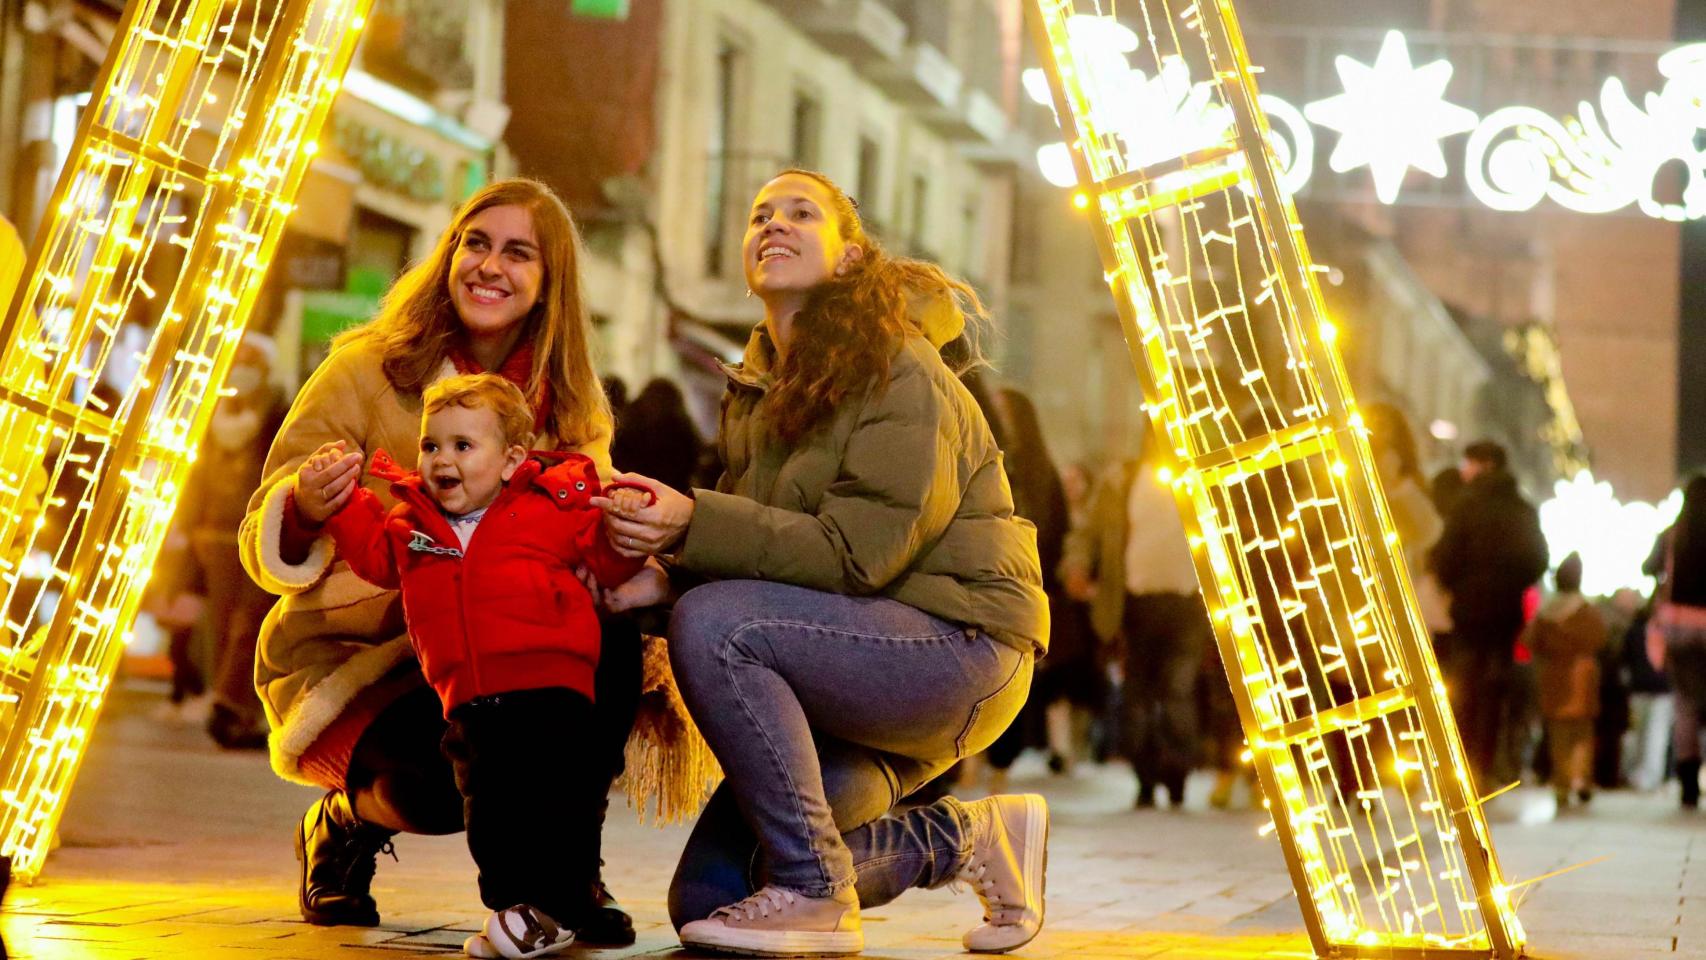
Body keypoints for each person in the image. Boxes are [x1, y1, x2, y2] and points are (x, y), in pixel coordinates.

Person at [591, 169, 1050, 956]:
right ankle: (966, 836)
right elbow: (766, 560)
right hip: (847, 666)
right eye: (760, 213)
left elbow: (853, 555)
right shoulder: (762, 387)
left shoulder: (899, 369)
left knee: (719, 627)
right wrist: (658, 582)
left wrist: (693, 522)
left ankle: (814, 894)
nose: (774, 223)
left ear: (847, 258)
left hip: (960, 648)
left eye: (802, 213)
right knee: (710, 899)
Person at [238, 178, 645, 945]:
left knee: (612, 630)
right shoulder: (365, 369)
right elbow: (262, 530)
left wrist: (629, 541)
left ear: (548, 283)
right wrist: (308, 505)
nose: (490, 266)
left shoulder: (572, 407)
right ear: (450, 253)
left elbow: (593, 541)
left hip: (504, 657)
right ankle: (340, 825)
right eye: (476, 243)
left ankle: (571, 872)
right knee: (433, 790)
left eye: (518, 253)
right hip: (365, 660)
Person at [306, 374, 647, 958]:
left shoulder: (551, 508)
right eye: (431, 445)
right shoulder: (412, 524)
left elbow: (607, 566)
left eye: (464, 446)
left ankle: (561, 902)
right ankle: (519, 910)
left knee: (558, 798)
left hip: (554, 687)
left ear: (512, 459)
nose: (442, 460)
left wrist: (624, 530)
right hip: (469, 698)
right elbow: (372, 558)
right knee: (489, 810)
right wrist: (343, 501)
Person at [1067, 435, 1207, 809]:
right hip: (1136, 604)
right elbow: (1091, 534)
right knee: (1138, 694)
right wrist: (1078, 567)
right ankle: (1144, 777)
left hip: (1187, 603)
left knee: (1177, 691)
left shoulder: (1201, 474)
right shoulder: (1123, 481)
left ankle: (1176, 773)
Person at [175, 332, 288, 748]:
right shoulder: (215, 413)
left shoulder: (278, 409)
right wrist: (189, 529)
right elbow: (199, 475)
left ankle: (233, 703)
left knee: (253, 621)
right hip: (216, 533)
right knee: (223, 626)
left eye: (251, 361)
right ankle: (229, 708)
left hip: (258, 527)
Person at [1430, 441, 1549, 787]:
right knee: (1495, 687)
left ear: (1486, 465)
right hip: (1505, 611)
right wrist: (1512, 582)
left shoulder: (1466, 506)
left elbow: (1446, 554)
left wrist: (1459, 584)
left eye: (1469, 463)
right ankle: (1486, 763)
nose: (1464, 471)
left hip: (1469, 609)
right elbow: (1538, 558)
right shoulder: (1521, 508)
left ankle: (1462, 764)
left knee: (1464, 685)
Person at [1524, 553, 1607, 810]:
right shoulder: (1587, 611)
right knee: (1582, 733)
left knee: (1558, 734)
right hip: (1582, 676)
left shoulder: (1546, 612)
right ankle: (1581, 780)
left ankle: (1562, 782)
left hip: (1553, 676)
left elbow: (1529, 641)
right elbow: (1601, 638)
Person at [1648, 474, 1706, 808]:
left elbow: (1649, 567)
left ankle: (1688, 784)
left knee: (1685, 704)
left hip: (1680, 626)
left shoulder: (1674, 534)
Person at [611, 378, 703, 495]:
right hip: (672, 493)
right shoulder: (681, 425)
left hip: (633, 489)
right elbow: (693, 459)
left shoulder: (630, 420)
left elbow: (618, 454)